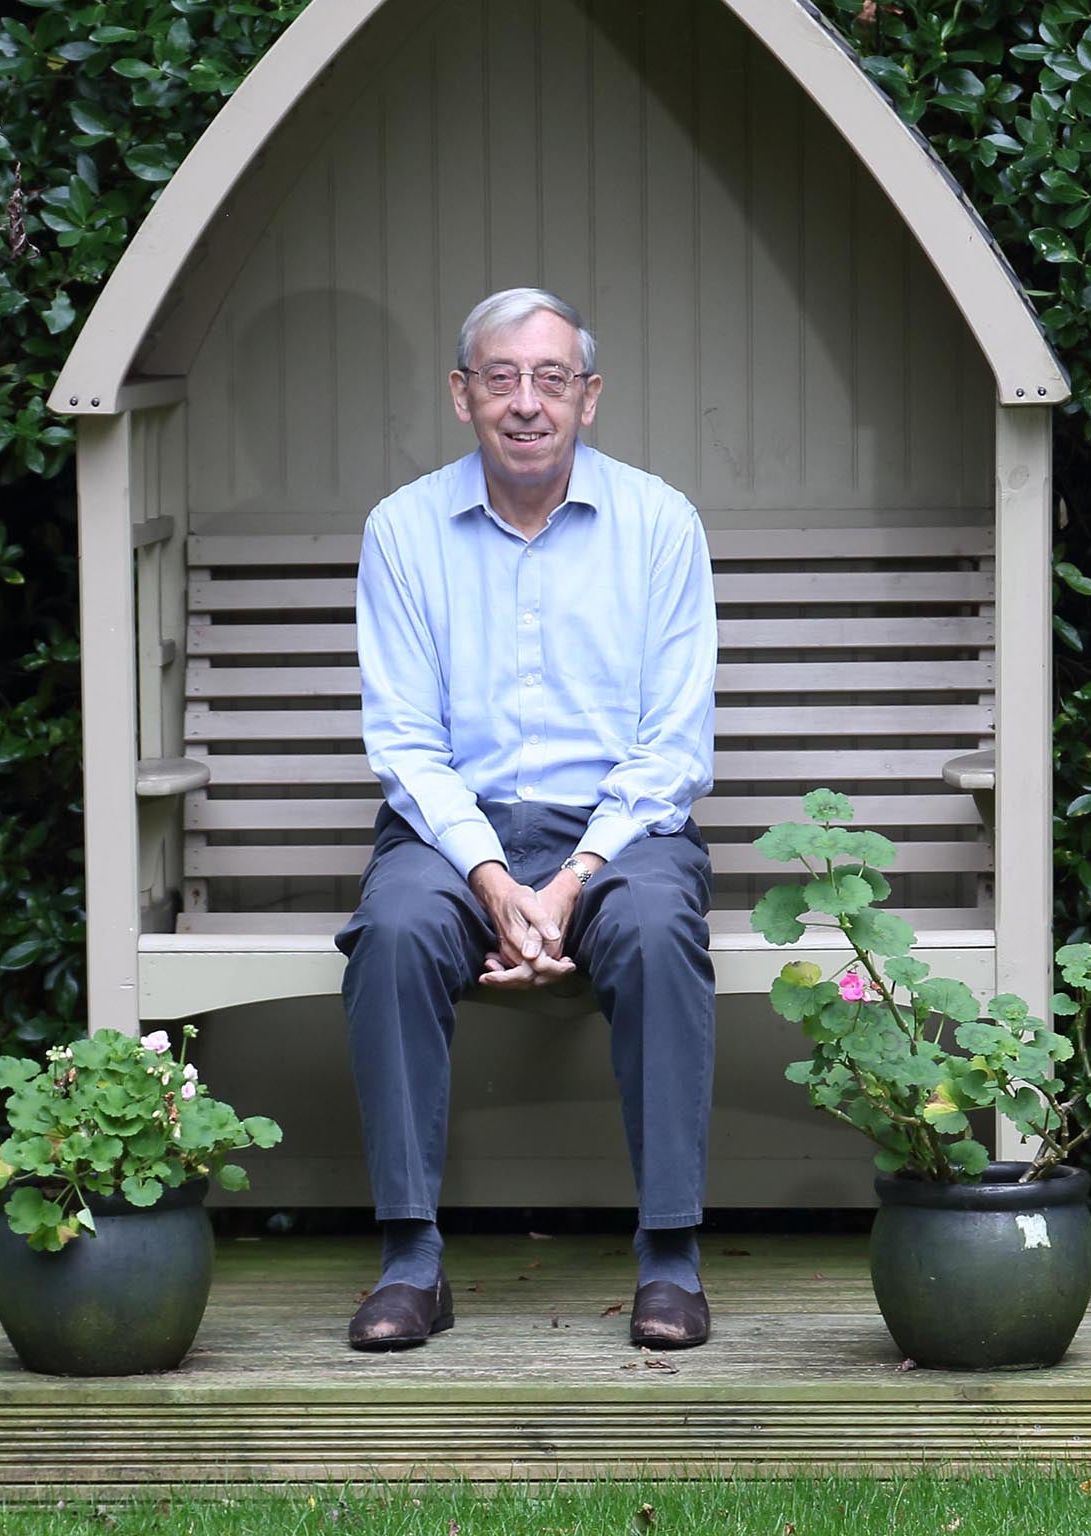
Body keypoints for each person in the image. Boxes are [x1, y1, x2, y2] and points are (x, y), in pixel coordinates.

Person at [336, 287, 719, 1352]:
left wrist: (569, 881)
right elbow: (405, 743)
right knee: (396, 931)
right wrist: (495, 882)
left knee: (649, 931)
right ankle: (411, 1261)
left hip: (622, 832)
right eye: (499, 378)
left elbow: (672, 744)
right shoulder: (404, 531)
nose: (525, 403)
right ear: (461, 395)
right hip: (451, 834)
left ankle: (670, 1262)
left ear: (587, 398)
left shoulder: (659, 525)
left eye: (550, 379)